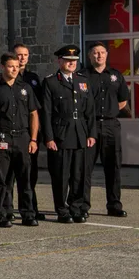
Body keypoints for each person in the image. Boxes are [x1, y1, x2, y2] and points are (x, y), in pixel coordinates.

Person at [0, 53, 40, 228]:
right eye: (10, 66)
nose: (14, 69)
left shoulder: (26, 88)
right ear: (2, 67)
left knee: (25, 179)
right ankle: (2, 215)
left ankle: (28, 214)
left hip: (23, 137)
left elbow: (34, 114)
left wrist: (34, 139)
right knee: (1, 180)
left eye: (16, 66)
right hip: (3, 138)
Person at [41, 45, 96, 224]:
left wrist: (91, 133)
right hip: (61, 135)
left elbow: (90, 111)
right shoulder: (51, 82)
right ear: (60, 61)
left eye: (73, 61)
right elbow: (46, 113)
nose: (71, 64)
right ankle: (62, 210)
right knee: (61, 176)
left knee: (78, 175)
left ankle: (76, 207)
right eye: (67, 60)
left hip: (80, 133)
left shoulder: (83, 81)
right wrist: (49, 138)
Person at [82, 42, 129, 217]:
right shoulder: (83, 76)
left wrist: (110, 110)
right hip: (90, 126)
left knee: (113, 167)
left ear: (107, 55)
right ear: (89, 56)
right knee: (85, 168)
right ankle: (83, 206)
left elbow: (123, 100)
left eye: (102, 52)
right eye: (95, 53)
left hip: (111, 125)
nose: (99, 56)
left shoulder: (115, 76)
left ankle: (114, 205)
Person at [13, 43, 47, 220]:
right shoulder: (3, 78)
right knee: (12, 174)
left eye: (25, 55)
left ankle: (31, 207)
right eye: (19, 55)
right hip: (11, 130)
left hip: (30, 131)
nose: (22, 58)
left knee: (30, 172)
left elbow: (39, 107)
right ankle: (8, 209)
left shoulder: (33, 78)